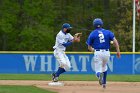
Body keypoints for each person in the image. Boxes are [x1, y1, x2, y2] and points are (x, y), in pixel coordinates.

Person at [86, 18, 120, 88]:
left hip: (98, 52)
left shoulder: (92, 33)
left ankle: (99, 76)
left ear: (94, 25)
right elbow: (115, 42)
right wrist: (118, 51)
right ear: (102, 24)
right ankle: (104, 84)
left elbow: (89, 47)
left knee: (98, 70)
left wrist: (93, 50)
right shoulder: (108, 32)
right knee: (104, 67)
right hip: (107, 53)